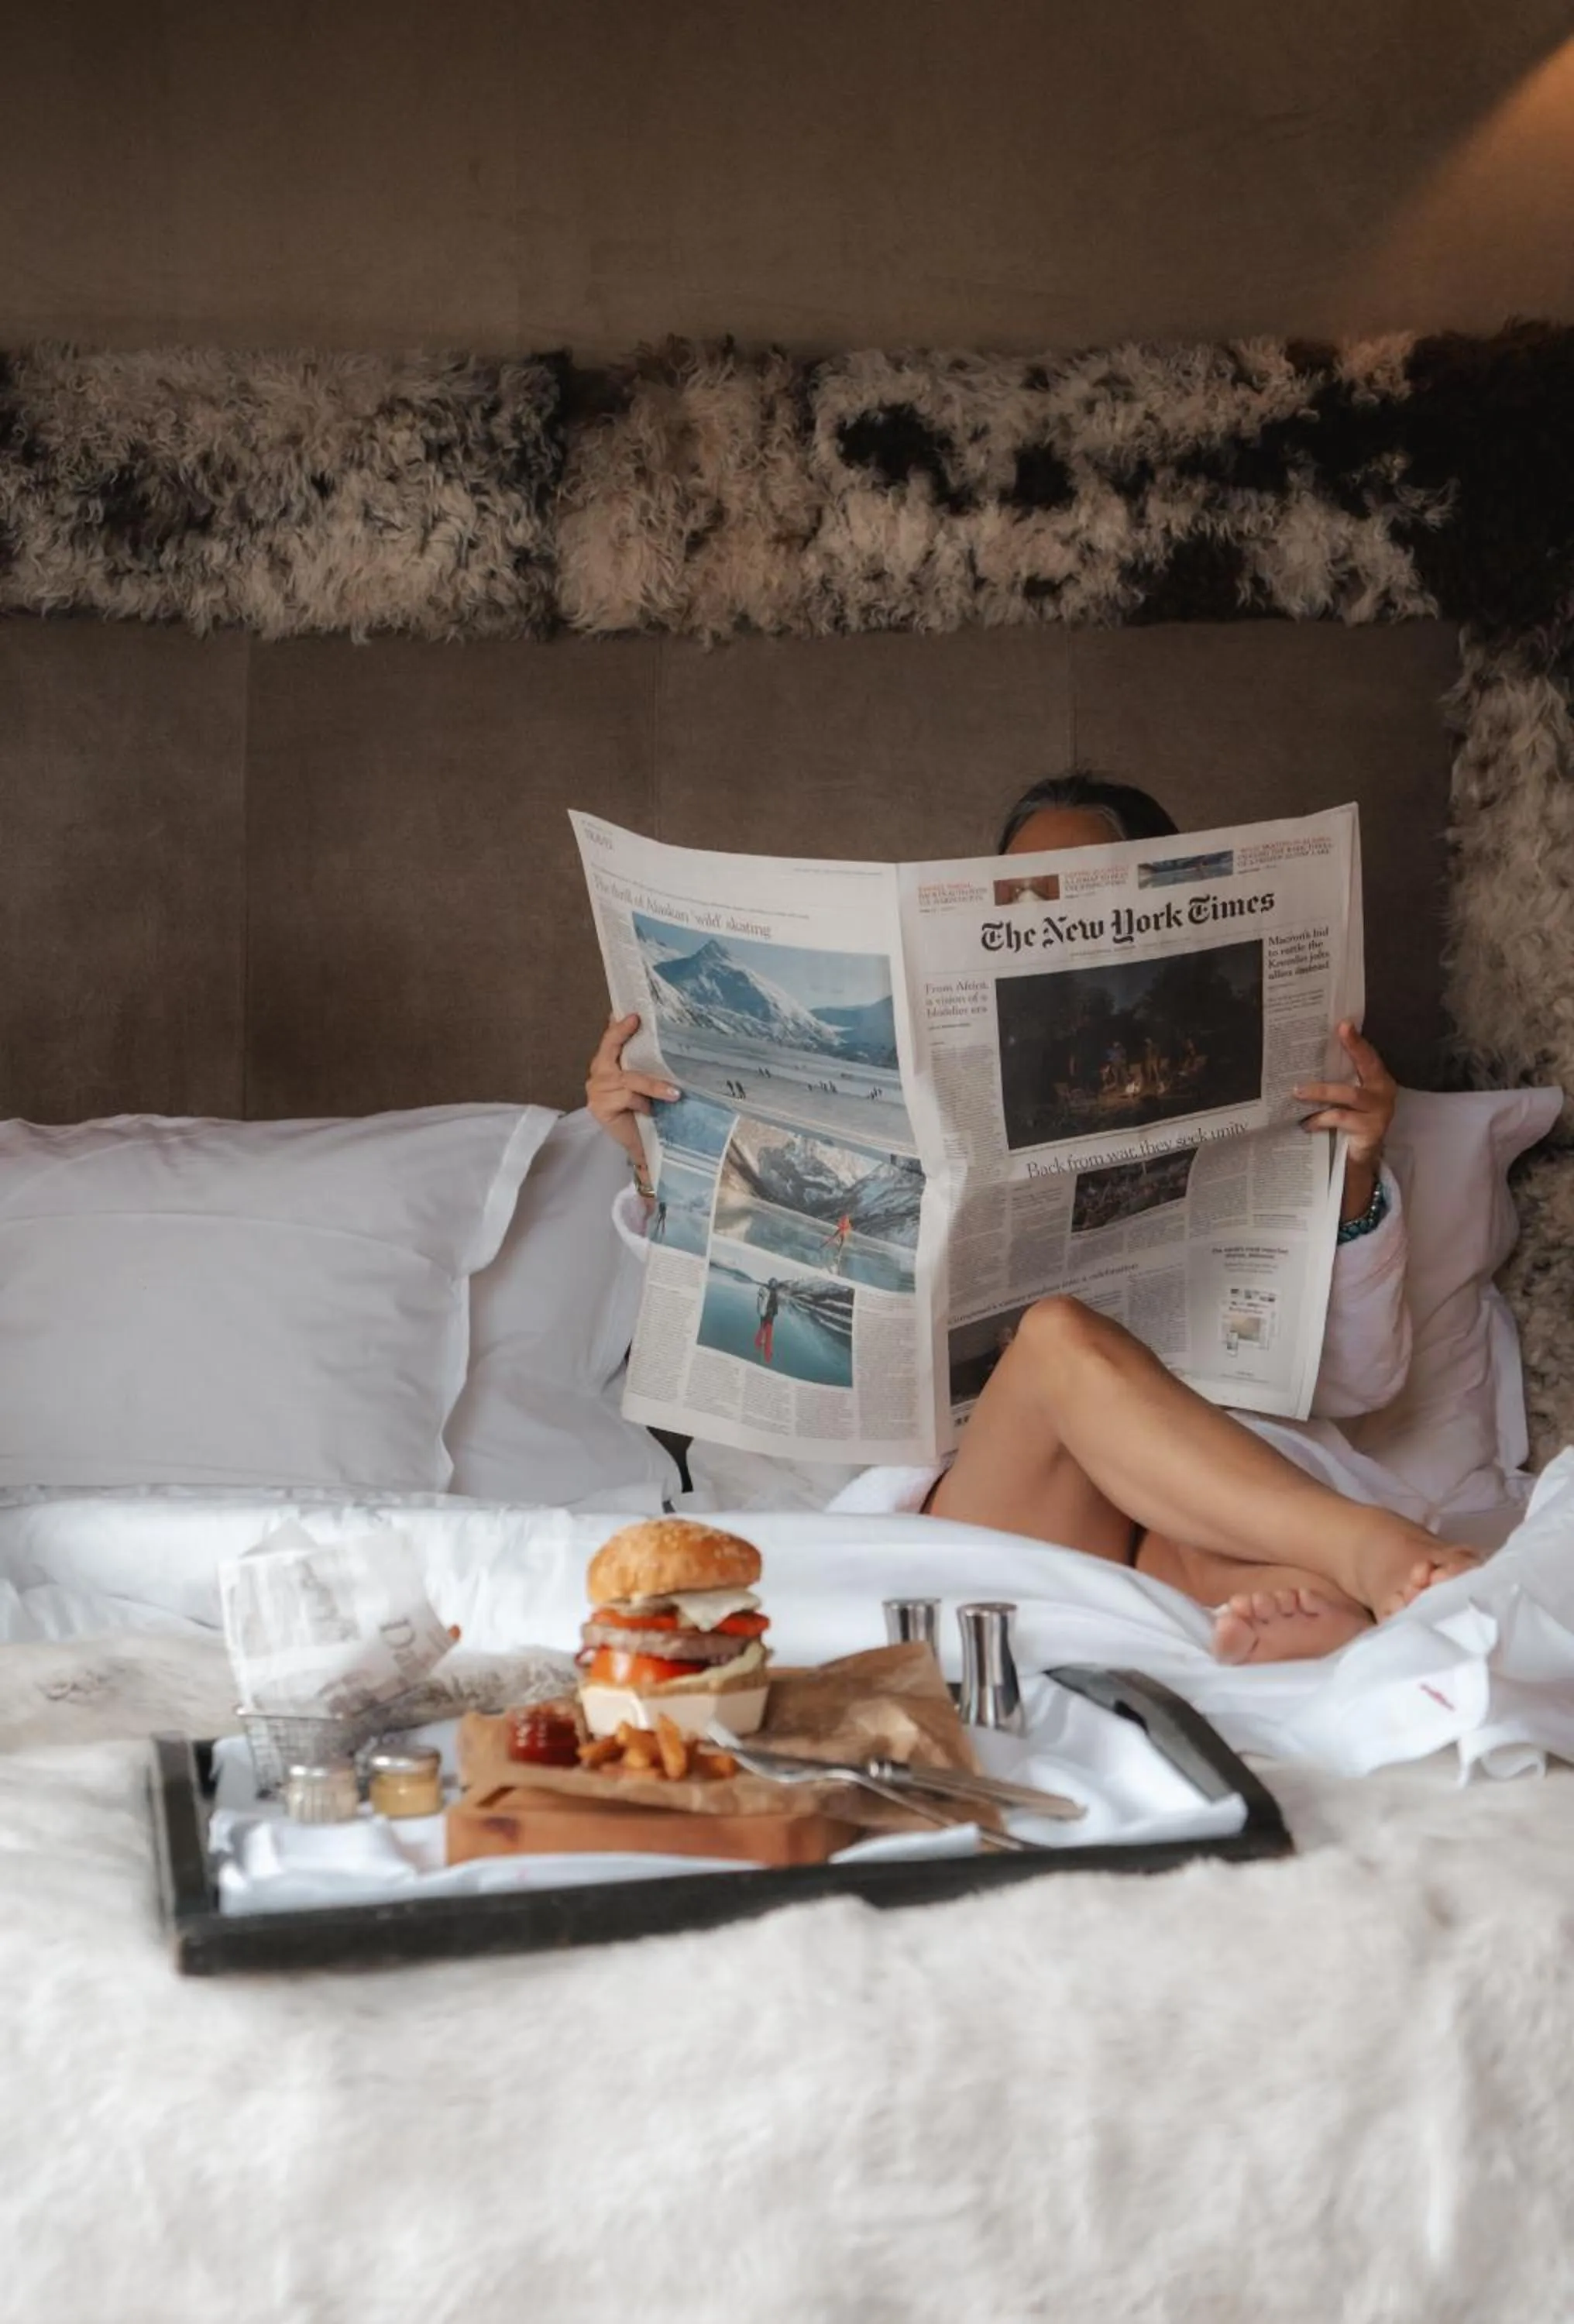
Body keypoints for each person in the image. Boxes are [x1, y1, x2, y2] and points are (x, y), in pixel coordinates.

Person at [586, 771, 1479, 1666]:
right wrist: (654, 1148)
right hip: (1015, 1502)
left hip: (1211, 1493)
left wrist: (1355, 1170)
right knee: (1052, 1342)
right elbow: (743, 1356)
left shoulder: (1284, 1085)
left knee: (1192, 1534)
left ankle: (1267, 1610)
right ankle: (1359, 1550)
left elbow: (1360, 1380)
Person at [754, 1278, 781, 1364]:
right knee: (769, 1334)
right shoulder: (774, 1294)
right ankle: (767, 1355)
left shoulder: (765, 1291)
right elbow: (775, 1308)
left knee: (761, 1328)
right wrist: (774, 1314)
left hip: (763, 1314)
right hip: (769, 1317)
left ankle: (758, 1344)